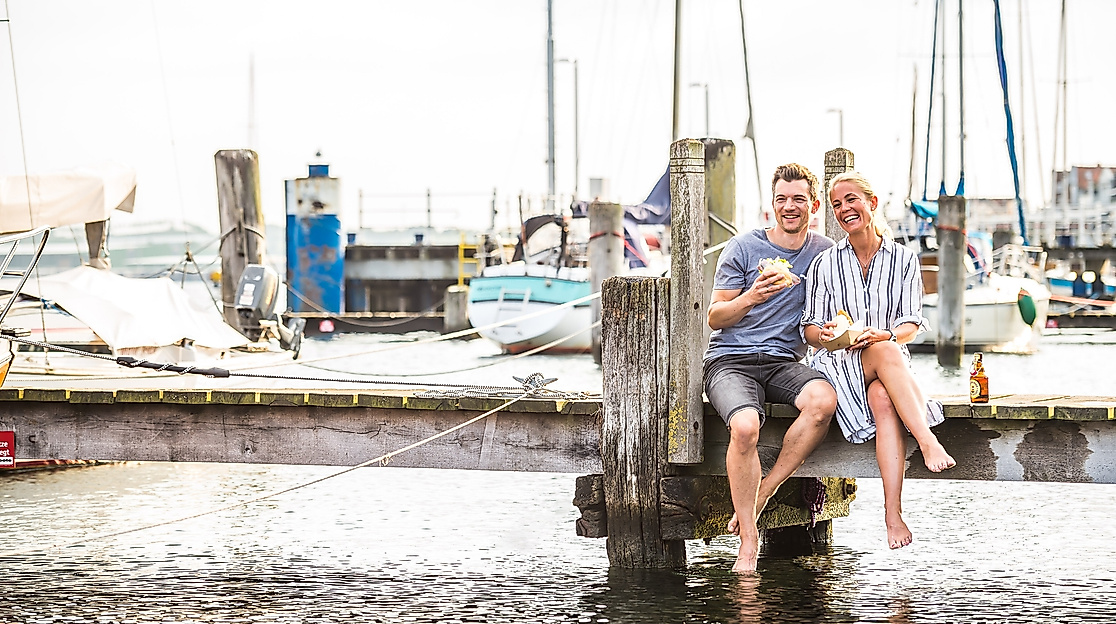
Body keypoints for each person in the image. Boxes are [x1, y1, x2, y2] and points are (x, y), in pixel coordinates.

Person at [801, 171, 956, 550]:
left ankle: (892, 514)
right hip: (837, 364)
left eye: (851, 199)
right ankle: (928, 439)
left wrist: (885, 334)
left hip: (887, 363)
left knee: (884, 396)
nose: (844, 209)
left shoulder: (904, 259)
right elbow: (809, 329)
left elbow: (911, 325)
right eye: (837, 204)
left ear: (871, 203)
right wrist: (824, 334)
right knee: (884, 351)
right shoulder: (825, 263)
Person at [704, 163, 838, 573]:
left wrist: (833, 330)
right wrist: (752, 297)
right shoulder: (743, 248)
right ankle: (748, 539)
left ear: (813, 205)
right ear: (772, 204)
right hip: (730, 361)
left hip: (783, 362)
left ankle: (763, 492)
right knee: (745, 427)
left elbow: (828, 314)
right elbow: (715, 316)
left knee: (822, 400)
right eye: (782, 199)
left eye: (798, 199)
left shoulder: (825, 251)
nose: (789, 206)